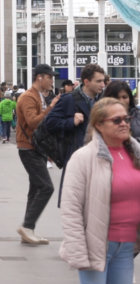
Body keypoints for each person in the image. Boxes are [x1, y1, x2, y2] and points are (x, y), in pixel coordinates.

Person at [60, 98, 140, 283]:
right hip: (96, 247)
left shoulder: (135, 152)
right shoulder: (83, 158)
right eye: (116, 120)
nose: (124, 124)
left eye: (126, 119)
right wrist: (78, 253)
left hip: (127, 246)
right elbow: (71, 209)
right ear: (99, 125)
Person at [44, 63, 105, 203]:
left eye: (103, 81)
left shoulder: (103, 100)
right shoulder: (69, 99)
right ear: (86, 82)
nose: (103, 84)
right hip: (76, 156)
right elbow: (49, 122)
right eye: (99, 81)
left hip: (100, 157)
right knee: (75, 202)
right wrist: (71, 122)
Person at [15, 63, 60, 245]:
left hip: (35, 147)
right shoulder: (28, 96)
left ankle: (28, 230)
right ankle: (27, 226)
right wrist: (51, 108)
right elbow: (33, 123)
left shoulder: (37, 96)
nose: (52, 81)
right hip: (28, 148)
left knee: (35, 189)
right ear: (40, 77)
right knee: (46, 187)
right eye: (50, 77)